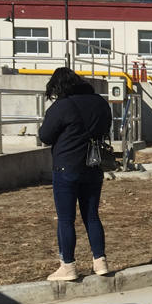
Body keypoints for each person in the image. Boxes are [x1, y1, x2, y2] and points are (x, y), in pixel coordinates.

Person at [38, 67, 113, 281]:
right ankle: (100, 261)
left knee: (66, 219)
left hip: (66, 167)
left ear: (58, 87)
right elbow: (106, 128)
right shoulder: (100, 103)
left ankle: (68, 266)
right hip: (93, 165)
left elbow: (45, 136)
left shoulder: (62, 106)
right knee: (92, 215)